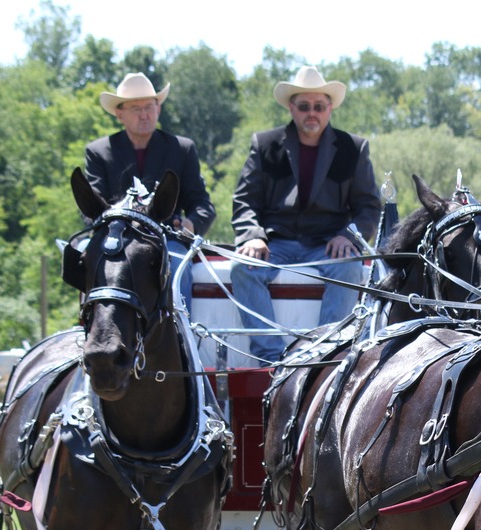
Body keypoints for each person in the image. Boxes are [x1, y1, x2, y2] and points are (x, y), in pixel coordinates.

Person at [230, 66, 382, 363]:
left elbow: (368, 206)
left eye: (319, 106)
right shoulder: (265, 145)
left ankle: (324, 356)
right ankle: (272, 361)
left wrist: (348, 235)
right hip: (276, 243)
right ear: (292, 108)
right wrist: (253, 236)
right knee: (241, 269)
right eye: (304, 106)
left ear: (330, 108)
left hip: (328, 244)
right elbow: (244, 201)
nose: (311, 112)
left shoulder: (353, 148)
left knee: (350, 270)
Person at [84, 72, 217, 306]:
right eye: (136, 109)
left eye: (150, 107)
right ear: (119, 113)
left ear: (159, 110)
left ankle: (178, 337)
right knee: (85, 258)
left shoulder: (182, 149)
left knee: (177, 266)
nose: (145, 114)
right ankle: (94, 332)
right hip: (117, 238)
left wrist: (190, 224)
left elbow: (202, 205)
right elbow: (91, 210)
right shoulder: (99, 152)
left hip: (167, 238)